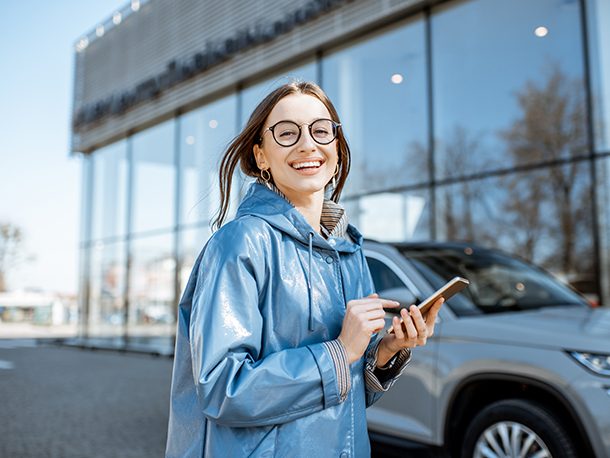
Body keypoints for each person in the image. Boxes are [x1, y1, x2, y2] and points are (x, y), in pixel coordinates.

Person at [165, 81, 443, 457]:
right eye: (286, 133)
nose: (308, 144)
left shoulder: (350, 251)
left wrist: (385, 350)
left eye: (320, 130)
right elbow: (222, 388)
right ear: (261, 155)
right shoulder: (241, 243)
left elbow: (340, 395)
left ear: (337, 150)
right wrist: (340, 351)